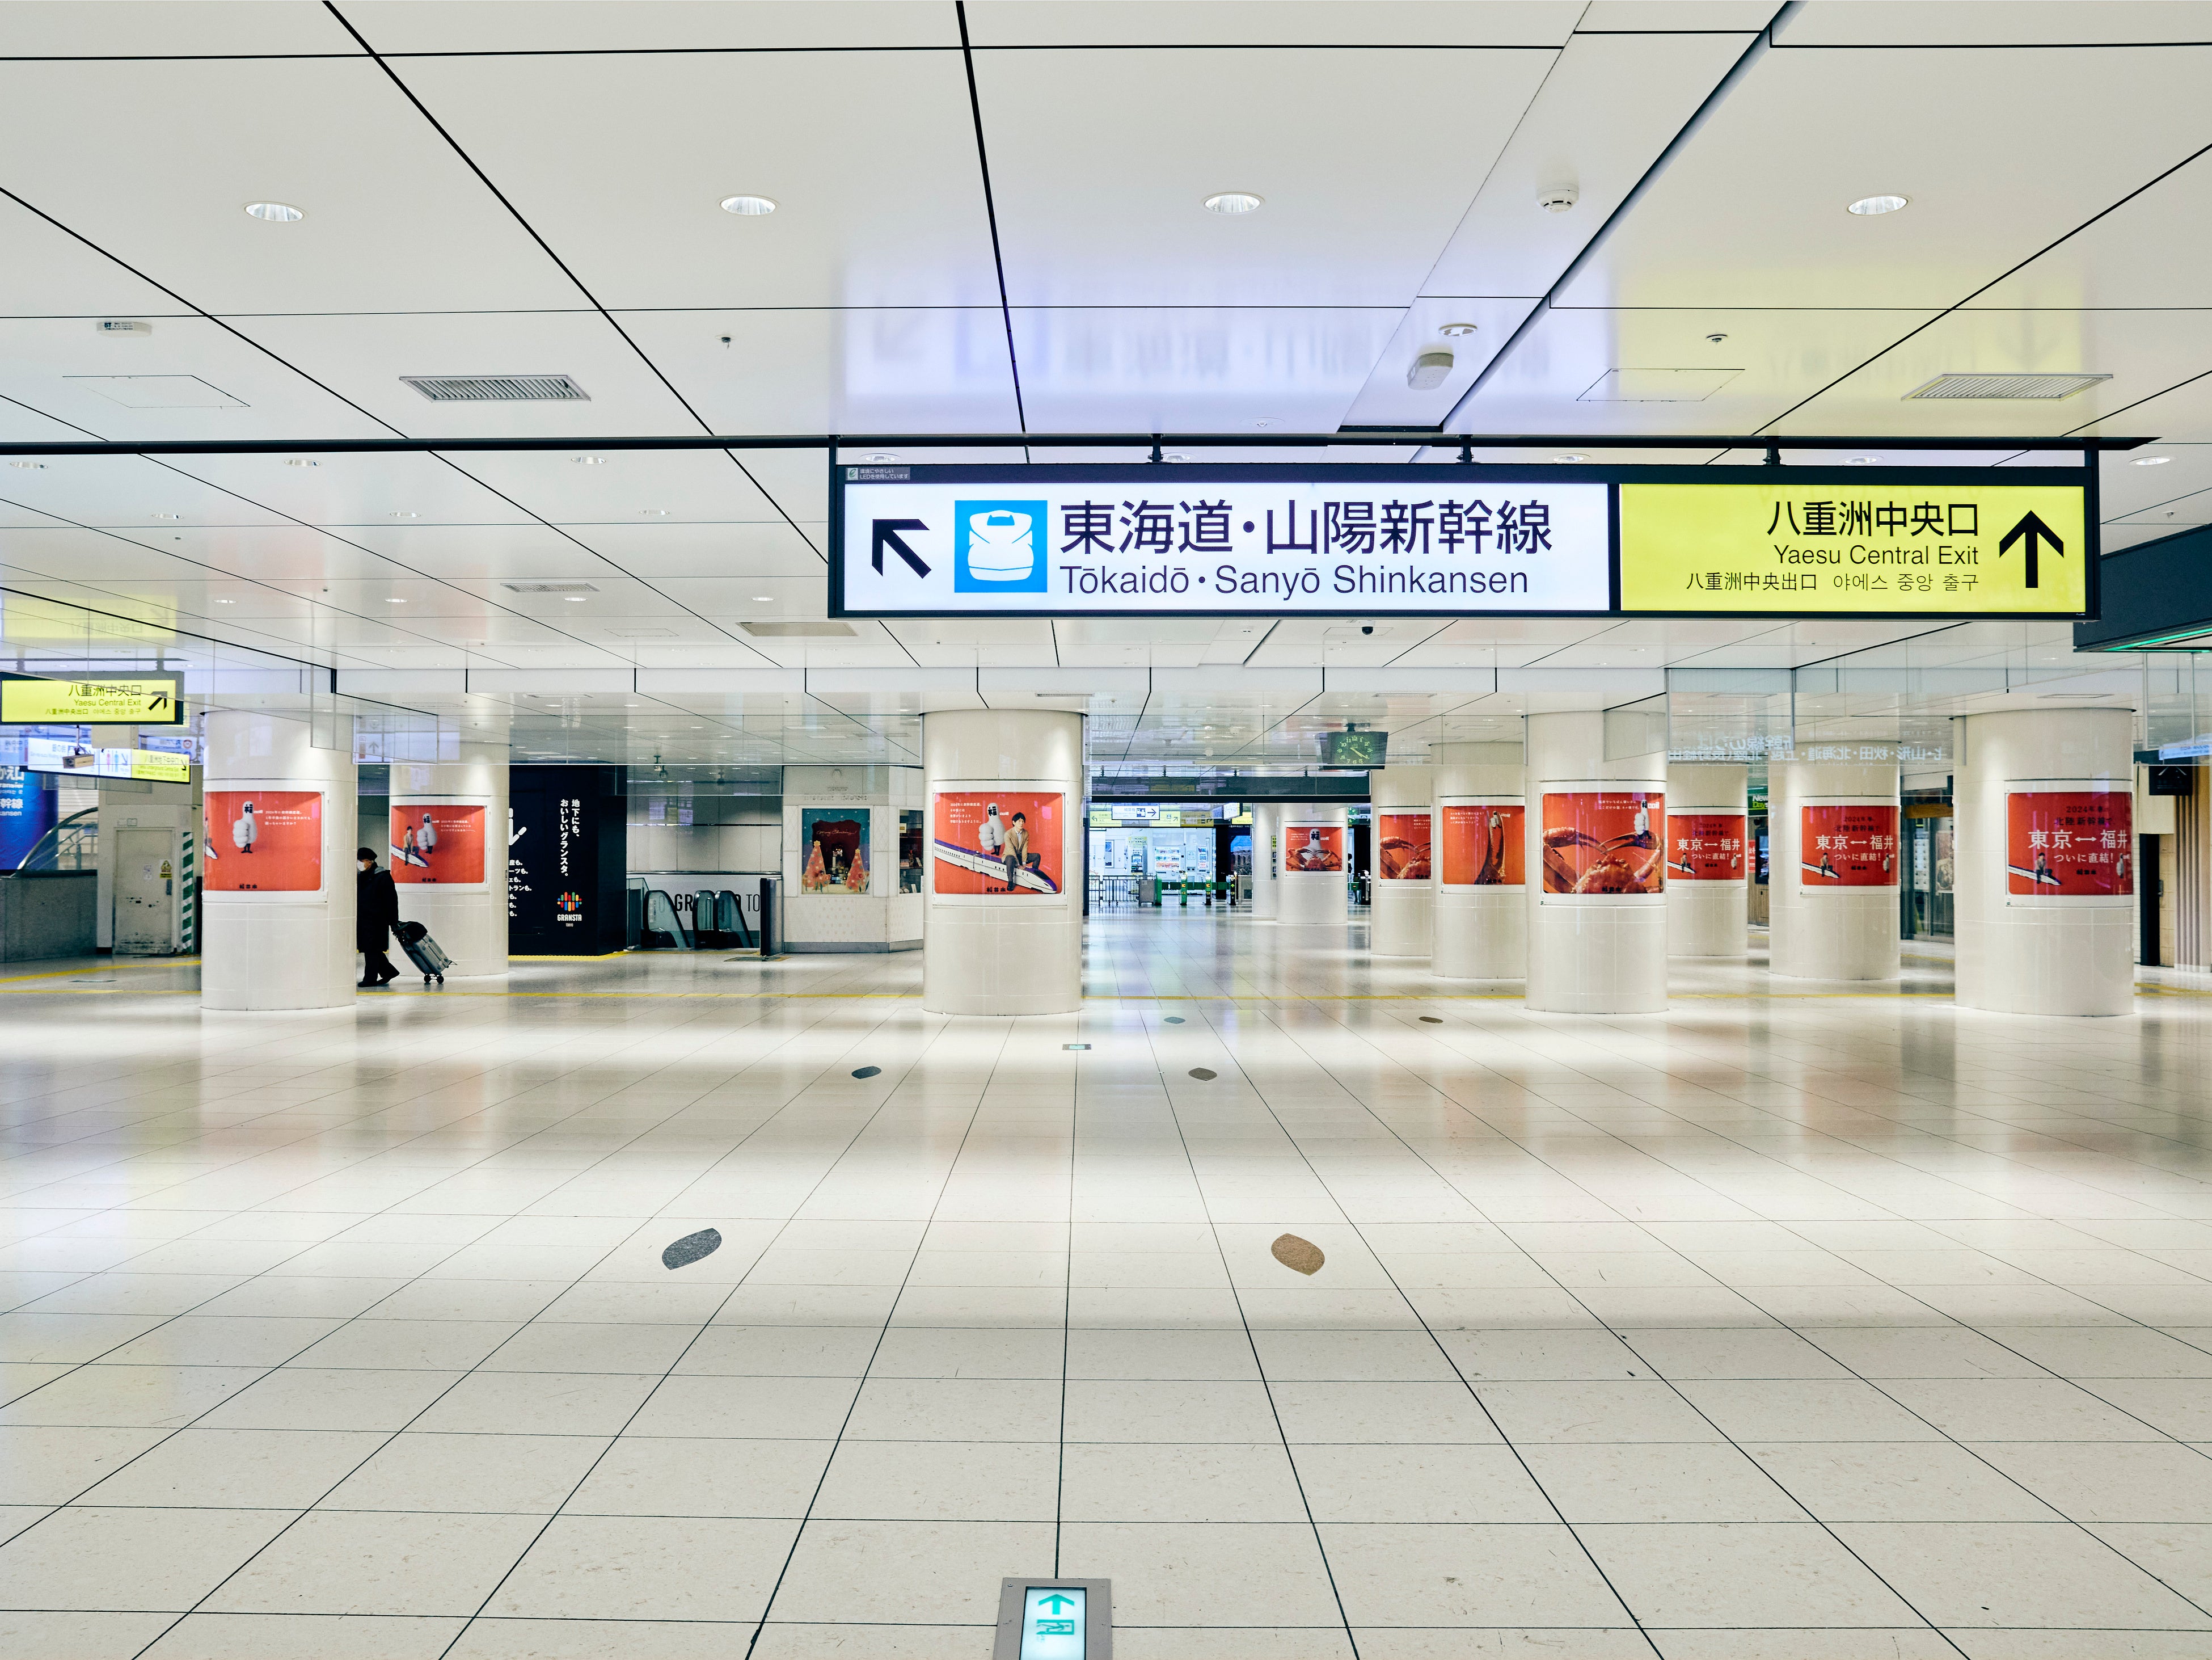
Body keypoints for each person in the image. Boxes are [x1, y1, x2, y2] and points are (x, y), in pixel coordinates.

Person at [357, 848, 400, 987]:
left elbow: (391, 901)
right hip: (363, 919)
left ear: (370, 862)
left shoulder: (382, 877)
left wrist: (393, 921)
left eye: (361, 861)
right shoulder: (361, 877)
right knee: (371, 948)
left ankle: (370, 979)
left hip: (377, 920)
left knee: (371, 949)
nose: (359, 864)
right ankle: (389, 972)